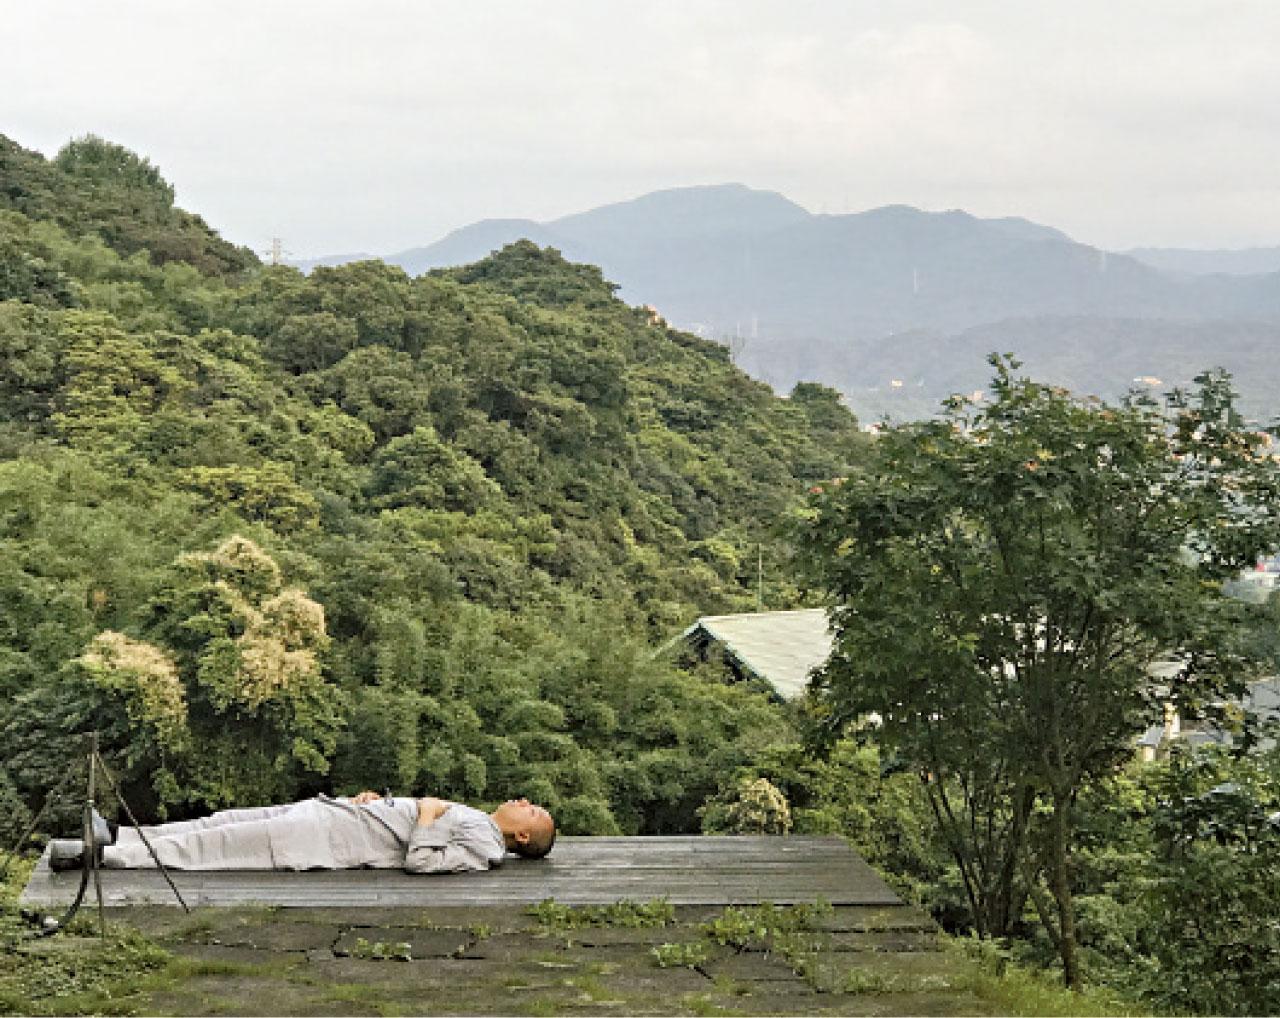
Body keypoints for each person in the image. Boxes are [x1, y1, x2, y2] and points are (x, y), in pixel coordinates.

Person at [48, 792, 555, 874]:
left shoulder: (485, 850)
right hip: (337, 815)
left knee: (210, 848)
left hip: (326, 841)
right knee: (220, 822)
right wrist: (378, 803)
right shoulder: (482, 825)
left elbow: (421, 862)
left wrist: (422, 815)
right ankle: (119, 836)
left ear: (523, 840)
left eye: (533, 813)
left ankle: (101, 859)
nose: (524, 803)